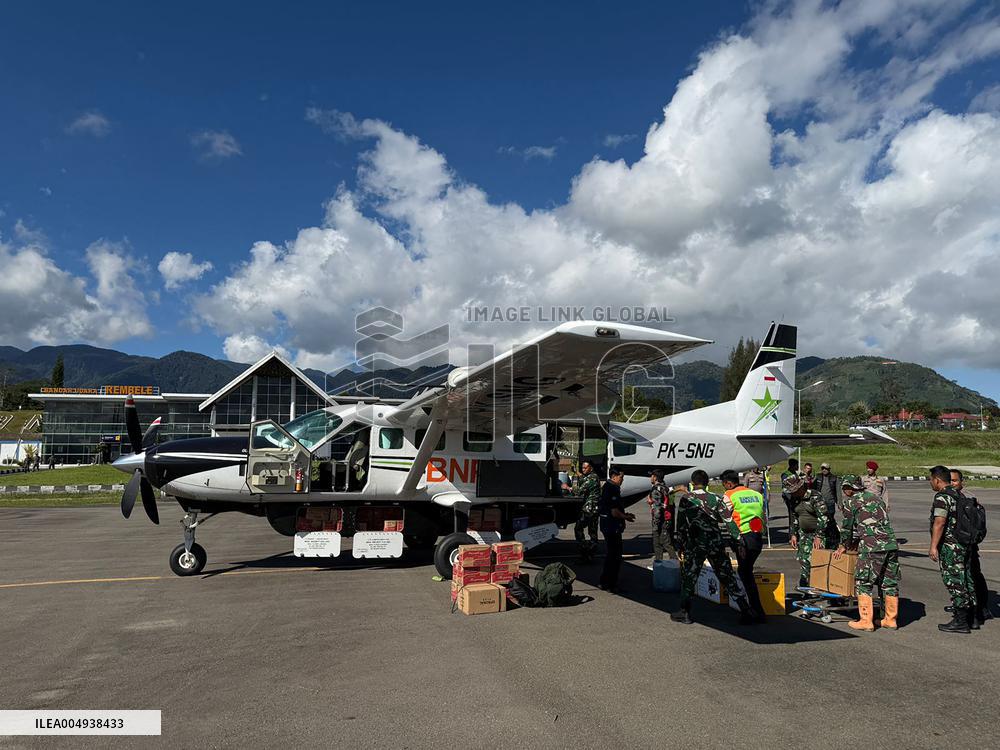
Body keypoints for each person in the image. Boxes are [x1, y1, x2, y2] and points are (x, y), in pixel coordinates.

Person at [670, 470, 754, 625]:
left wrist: (680, 544)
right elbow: (729, 521)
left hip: (695, 544)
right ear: (707, 482)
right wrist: (738, 541)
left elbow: (681, 524)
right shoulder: (716, 498)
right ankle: (745, 609)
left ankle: (685, 612)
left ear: (692, 482)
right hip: (715, 543)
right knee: (726, 576)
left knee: (689, 576)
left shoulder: (686, 499)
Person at [835, 474, 900, 631]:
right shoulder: (875, 498)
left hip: (872, 546)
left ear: (849, 488)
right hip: (890, 543)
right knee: (889, 582)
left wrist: (844, 545)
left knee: (863, 581)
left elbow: (847, 528)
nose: (844, 492)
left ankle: (866, 620)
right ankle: (890, 619)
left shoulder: (850, 502)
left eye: (845, 489)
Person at [928, 465, 976, 633]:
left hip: (950, 546)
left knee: (954, 581)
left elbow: (940, 522)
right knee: (966, 579)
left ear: (937, 480)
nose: (931, 483)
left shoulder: (942, 497)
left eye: (931, 480)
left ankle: (961, 621)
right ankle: (973, 618)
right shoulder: (958, 494)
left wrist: (933, 546)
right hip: (963, 544)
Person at [721, 469, 767, 623]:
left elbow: (723, 515)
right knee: (746, 572)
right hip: (757, 537)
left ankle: (754, 612)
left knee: (745, 574)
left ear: (728, 483)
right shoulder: (756, 494)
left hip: (743, 539)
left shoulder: (729, 495)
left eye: (724, 485)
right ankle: (755, 611)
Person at [950, 469, 992, 626]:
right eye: (950, 480)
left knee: (974, 575)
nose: (952, 484)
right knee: (964, 577)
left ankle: (982, 608)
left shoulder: (968, 497)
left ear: (962, 482)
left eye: (955, 480)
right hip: (958, 544)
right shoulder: (952, 497)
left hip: (968, 544)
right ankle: (967, 607)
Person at [785, 476, 829, 588]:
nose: (792, 493)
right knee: (803, 560)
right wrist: (793, 534)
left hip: (819, 534)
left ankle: (821, 587)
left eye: (794, 491)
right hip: (804, 534)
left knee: (818, 561)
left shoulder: (815, 496)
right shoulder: (794, 499)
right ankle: (805, 586)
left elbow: (823, 517)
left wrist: (819, 536)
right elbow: (794, 517)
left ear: (800, 488)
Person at [598, 468, 633, 592]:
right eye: (621, 477)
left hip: (607, 525)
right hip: (612, 526)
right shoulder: (612, 488)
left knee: (610, 555)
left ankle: (604, 581)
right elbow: (614, 511)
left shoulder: (608, 487)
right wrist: (626, 517)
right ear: (614, 476)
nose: (622, 480)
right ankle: (611, 584)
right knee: (615, 556)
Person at [565, 461, 601, 561]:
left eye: (585, 468)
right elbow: (584, 478)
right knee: (591, 531)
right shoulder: (591, 477)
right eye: (582, 468)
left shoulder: (592, 478)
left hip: (590, 509)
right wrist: (576, 472)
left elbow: (580, 490)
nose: (583, 469)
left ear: (591, 468)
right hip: (592, 509)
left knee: (580, 528)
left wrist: (567, 487)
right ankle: (589, 553)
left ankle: (586, 551)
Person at [647, 469, 677, 561]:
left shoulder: (656, 489)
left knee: (661, 543)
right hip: (666, 519)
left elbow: (657, 509)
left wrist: (656, 524)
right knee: (665, 542)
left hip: (661, 520)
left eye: (651, 476)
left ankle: (672, 562)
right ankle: (669, 562)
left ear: (655, 477)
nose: (650, 478)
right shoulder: (664, 487)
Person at [814, 462, 841, 548]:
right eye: (822, 468)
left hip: (830, 503)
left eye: (825, 468)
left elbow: (838, 491)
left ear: (829, 469)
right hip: (819, 503)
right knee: (819, 520)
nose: (824, 470)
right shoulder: (817, 477)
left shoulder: (834, 478)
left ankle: (832, 537)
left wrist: (839, 503)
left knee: (830, 520)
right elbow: (812, 486)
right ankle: (820, 536)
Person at [780, 458, 801, 534]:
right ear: (792, 465)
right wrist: (791, 499)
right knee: (792, 516)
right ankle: (792, 534)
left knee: (796, 516)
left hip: (796, 497)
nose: (798, 466)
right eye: (796, 465)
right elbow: (786, 489)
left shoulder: (794, 473)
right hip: (790, 498)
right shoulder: (786, 474)